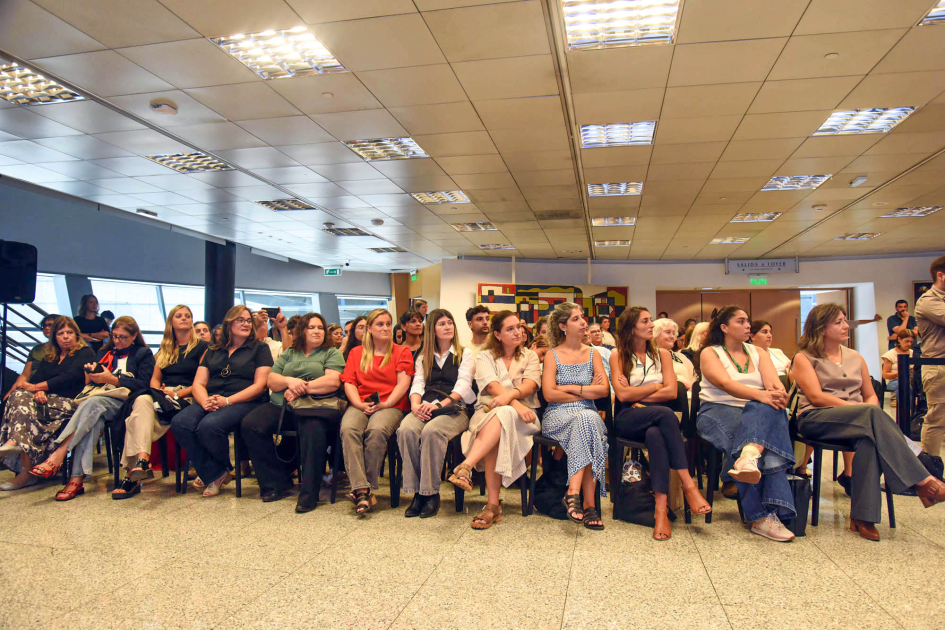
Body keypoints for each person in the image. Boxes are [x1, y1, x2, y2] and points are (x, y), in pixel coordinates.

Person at [793, 302, 945, 540]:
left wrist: (868, 408)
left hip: (860, 421)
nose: (846, 326)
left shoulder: (855, 357)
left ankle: (863, 517)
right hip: (816, 418)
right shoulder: (804, 357)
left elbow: (871, 393)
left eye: (845, 320)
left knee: (869, 440)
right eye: (839, 322)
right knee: (871, 417)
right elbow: (816, 397)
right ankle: (923, 480)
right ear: (821, 328)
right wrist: (863, 410)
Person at [697, 305, 796, 542]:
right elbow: (724, 384)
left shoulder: (758, 352)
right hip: (717, 410)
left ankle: (749, 457)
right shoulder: (711, 352)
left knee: (769, 413)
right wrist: (762, 395)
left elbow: (773, 384)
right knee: (749, 439)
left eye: (748, 321)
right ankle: (763, 516)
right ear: (724, 328)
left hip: (757, 411)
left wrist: (778, 393)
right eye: (740, 321)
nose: (747, 325)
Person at [612, 307, 711, 539]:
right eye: (645, 321)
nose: (651, 325)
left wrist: (637, 393)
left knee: (657, 433)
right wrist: (654, 387)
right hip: (628, 417)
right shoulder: (618, 356)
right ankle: (689, 484)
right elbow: (623, 397)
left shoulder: (663, 355)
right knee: (666, 415)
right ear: (631, 328)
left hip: (654, 417)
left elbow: (670, 392)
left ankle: (660, 511)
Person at [30, 316, 155, 501]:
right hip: (101, 400)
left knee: (92, 405)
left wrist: (112, 379)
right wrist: (92, 374)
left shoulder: (143, 354)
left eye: (123, 337)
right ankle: (76, 479)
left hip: (128, 401)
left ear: (134, 336)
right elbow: (90, 383)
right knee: (92, 420)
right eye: (115, 336)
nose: (117, 341)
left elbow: (144, 384)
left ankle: (61, 453)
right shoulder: (104, 353)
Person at [241, 313, 345, 511]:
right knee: (251, 424)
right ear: (302, 331)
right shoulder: (290, 353)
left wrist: (301, 388)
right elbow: (271, 380)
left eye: (320, 328)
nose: (316, 331)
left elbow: (333, 381)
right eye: (311, 327)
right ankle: (275, 482)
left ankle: (310, 493)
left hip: (314, 407)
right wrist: (291, 382)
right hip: (282, 407)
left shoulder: (332, 353)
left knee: (313, 431)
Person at [448, 310, 541, 529]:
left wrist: (513, 401)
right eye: (510, 329)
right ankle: (492, 505)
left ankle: (467, 468)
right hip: (488, 410)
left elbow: (530, 385)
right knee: (502, 417)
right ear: (497, 334)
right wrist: (513, 403)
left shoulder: (530, 355)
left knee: (504, 415)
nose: (518, 332)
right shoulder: (485, 355)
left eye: (518, 327)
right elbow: (491, 386)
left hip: (525, 416)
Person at [171, 305, 273, 497]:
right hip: (212, 399)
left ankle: (214, 473)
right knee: (181, 422)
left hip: (245, 401)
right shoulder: (214, 350)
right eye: (240, 320)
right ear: (229, 323)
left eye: (249, 321)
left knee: (209, 425)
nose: (245, 324)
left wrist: (227, 401)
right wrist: (205, 402)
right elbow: (198, 383)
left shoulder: (260, 348)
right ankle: (217, 472)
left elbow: (260, 385)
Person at [112, 305, 208, 499]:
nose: (184, 319)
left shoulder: (202, 348)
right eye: (179, 316)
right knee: (142, 401)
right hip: (162, 396)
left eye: (188, 316)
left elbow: (202, 381)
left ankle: (133, 474)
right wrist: (159, 391)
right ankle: (141, 461)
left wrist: (176, 394)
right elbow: (154, 379)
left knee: (136, 418)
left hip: (188, 395)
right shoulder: (165, 349)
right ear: (171, 322)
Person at [0, 317, 95, 490]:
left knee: (26, 406)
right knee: (19, 394)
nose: (65, 337)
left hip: (72, 402)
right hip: (47, 401)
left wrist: (38, 387)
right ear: (54, 337)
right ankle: (23, 460)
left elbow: (70, 377)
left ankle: (19, 451)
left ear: (76, 334)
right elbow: (36, 378)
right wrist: (39, 390)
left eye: (69, 333)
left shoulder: (85, 352)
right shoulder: (51, 355)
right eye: (61, 333)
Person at [397, 309, 475, 518]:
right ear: (432, 329)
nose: (448, 327)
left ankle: (431, 493)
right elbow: (418, 384)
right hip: (425, 406)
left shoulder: (464, 354)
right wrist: (415, 405)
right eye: (442, 324)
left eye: (450, 323)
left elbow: (464, 385)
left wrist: (440, 405)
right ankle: (417, 493)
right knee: (406, 430)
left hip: (453, 409)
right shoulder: (423, 356)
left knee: (431, 432)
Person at [540, 303, 610, 530]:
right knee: (587, 421)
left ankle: (573, 494)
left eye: (583, 318)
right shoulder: (552, 355)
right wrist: (584, 389)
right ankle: (589, 505)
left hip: (586, 413)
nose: (583, 323)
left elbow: (603, 391)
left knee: (586, 421)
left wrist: (568, 388)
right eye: (576, 319)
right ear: (562, 326)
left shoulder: (593, 353)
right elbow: (549, 394)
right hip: (557, 416)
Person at [340, 308, 414, 516]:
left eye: (388, 324)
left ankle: (365, 487)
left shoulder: (401, 351)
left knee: (376, 430)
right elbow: (349, 383)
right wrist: (358, 404)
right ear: (369, 329)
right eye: (380, 324)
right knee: (349, 428)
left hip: (391, 404)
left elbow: (403, 384)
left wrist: (387, 402)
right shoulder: (357, 353)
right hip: (361, 402)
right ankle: (362, 489)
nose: (385, 328)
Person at [917, 255, 945, 457]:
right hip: (938, 367)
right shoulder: (928, 301)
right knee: (937, 420)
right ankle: (931, 473)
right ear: (940, 275)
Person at [5, 313, 59, 401]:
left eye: (50, 325)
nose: (47, 328)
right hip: (30, 384)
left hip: (48, 387)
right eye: (44, 326)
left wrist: (38, 388)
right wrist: (11, 391)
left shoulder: (64, 349)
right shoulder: (37, 349)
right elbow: (25, 375)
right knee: (10, 398)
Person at [652, 318, 696, 390]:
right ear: (655, 334)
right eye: (668, 332)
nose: (672, 336)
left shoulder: (681, 357)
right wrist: (678, 384)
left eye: (673, 333)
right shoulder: (650, 357)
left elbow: (694, 377)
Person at [882, 329, 916, 408]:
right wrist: (901, 372)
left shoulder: (913, 353)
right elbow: (885, 375)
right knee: (904, 386)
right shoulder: (890, 354)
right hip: (895, 381)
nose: (909, 344)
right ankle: (906, 410)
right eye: (907, 341)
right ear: (899, 339)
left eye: (911, 342)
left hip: (911, 380)